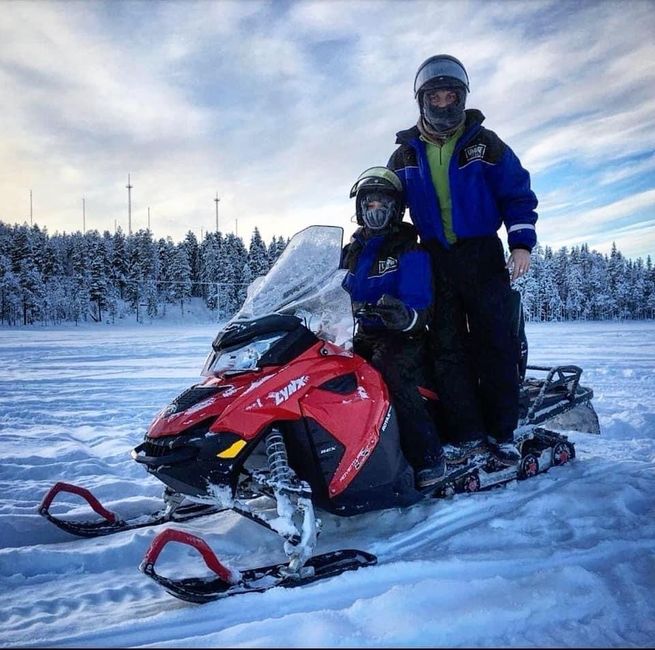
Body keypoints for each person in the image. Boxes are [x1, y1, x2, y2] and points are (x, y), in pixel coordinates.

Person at [387, 54, 538, 466]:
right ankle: (468, 432)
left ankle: (502, 431)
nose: (442, 102)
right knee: (446, 348)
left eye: (450, 94)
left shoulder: (484, 143)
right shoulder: (405, 154)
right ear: (422, 100)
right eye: (434, 96)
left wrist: (521, 241)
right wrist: (373, 246)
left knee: (494, 341)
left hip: (481, 253)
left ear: (462, 97)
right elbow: (384, 203)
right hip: (436, 257)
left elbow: (516, 192)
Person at [341, 166, 446, 489]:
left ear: (395, 209)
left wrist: (404, 314)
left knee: (387, 371)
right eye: (369, 205)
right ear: (359, 209)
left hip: (403, 335)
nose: (375, 212)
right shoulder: (352, 251)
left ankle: (429, 456)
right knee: (329, 370)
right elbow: (330, 288)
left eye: (382, 206)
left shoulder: (407, 248)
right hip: (362, 333)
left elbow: (420, 301)